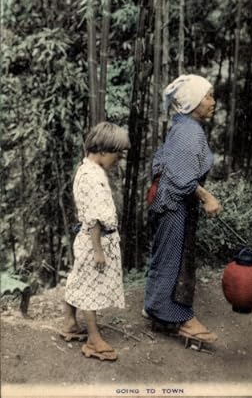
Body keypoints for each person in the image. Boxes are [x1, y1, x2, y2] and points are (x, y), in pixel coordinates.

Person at [144, 74, 222, 345]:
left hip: (168, 201)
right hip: (174, 203)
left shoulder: (182, 126)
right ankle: (181, 319)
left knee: (165, 255)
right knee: (174, 260)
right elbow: (181, 176)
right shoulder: (189, 131)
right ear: (191, 103)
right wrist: (207, 197)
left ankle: (156, 309)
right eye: (208, 96)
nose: (213, 102)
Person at [61, 122, 130, 361]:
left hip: (89, 239)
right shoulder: (92, 177)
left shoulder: (88, 169)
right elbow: (94, 218)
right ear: (102, 151)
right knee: (90, 287)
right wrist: (99, 250)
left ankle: (70, 323)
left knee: (80, 278)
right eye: (116, 155)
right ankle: (93, 339)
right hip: (95, 240)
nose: (118, 160)